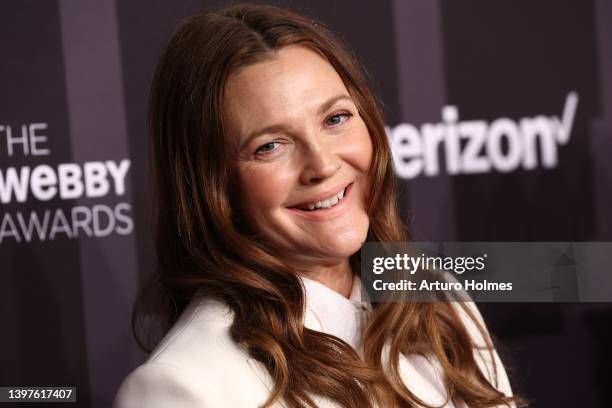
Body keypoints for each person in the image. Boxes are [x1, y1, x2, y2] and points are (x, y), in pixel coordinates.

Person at [114, 4, 521, 407]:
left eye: (335, 119)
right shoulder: (184, 387)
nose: (323, 165)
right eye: (270, 145)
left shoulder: (437, 297)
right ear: (211, 184)